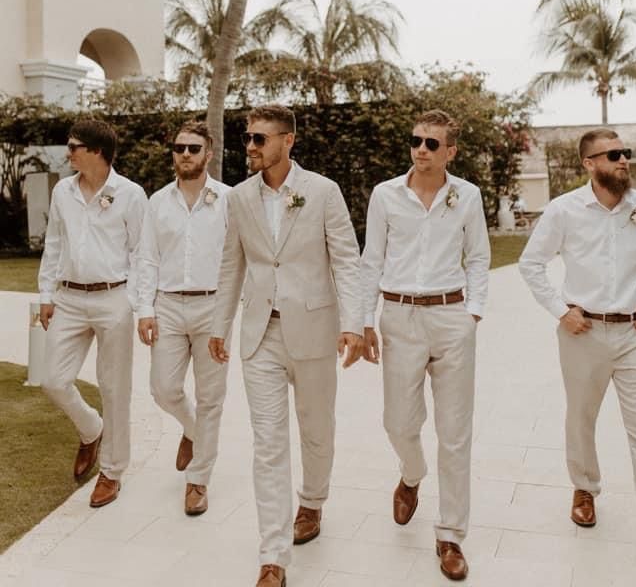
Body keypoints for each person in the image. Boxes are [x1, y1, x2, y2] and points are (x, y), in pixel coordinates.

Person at [209, 104, 363, 587]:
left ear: (287, 141)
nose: (249, 147)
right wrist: (220, 324)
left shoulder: (322, 191)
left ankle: (313, 500)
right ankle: (272, 557)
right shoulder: (238, 197)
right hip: (260, 336)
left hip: (314, 331)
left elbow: (346, 259)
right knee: (268, 444)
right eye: (247, 138)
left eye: (259, 138)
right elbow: (231, 264)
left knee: (317, 431)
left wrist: (355, 323)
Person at [361, 109, 490, 582]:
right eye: (416, 140)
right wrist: (362, 320)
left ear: (450, 151)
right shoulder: (385, 195)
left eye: (432, 144)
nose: (421, 149)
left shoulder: (467, 195)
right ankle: (411, 474)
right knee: (398, 422)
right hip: (398, 317)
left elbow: (478, 257)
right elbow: (370, 259)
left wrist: (471, 314)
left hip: (451, 317)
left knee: (455, 433)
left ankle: (451, 533)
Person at [519, 128, 636, 528]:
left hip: (632, 336)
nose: (623, 160)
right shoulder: (563, 209)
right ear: (589, 163)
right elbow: (530, 263)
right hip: (582, 332)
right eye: (613, 155)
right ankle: (585, 489)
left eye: (624, 153)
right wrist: (560, 311)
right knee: (581, 417)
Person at [39, 119, 147, 507]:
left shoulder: (131, 194)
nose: (68, 153)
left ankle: (113, 471)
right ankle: (91, 429)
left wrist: (133, 301)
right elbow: (54, 243)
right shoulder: (63, 191)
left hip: (112, 298)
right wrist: (46, 294)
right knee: (52, 379)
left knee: (115, 387)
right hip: (68, 297)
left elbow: (141, 252)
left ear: (96, 152)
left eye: (73, 146)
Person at [136, 121, 231, 516]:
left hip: (213, 307)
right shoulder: (157, 202)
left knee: (211, 398)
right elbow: (146, 257)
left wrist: (227, 315)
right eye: (180, 149)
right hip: (169, 306)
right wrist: (145, 309)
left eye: (194, 149)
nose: (186, 155)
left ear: (208, 154)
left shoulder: (228, 199)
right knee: (163, 388)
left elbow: (236, 260)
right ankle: (192, 431)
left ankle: (198, 480)